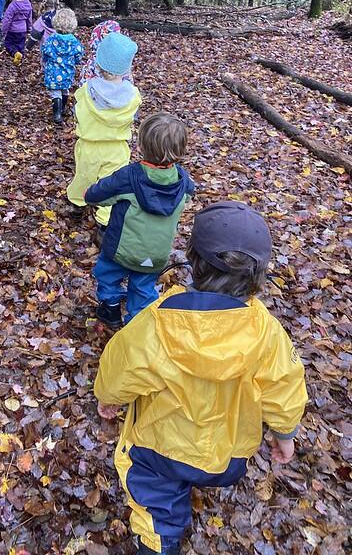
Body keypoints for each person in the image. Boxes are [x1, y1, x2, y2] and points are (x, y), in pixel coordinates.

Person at [94, 201, 308, 555]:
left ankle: (159, 544)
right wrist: (285, 434)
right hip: (226, 456)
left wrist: (108, 398)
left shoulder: (159, 322)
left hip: (159, 449)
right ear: (257, 275)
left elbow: (121, 365)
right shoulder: (266, 332)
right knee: (193, 467)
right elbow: (285, 387)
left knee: (156, 503)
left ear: (193, 260)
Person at [86, 113, 194, 330]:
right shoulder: (183, 182)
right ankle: (137, 327)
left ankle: (111, 307)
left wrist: (92, 193)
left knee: (108, 274)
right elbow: (190, 197)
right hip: (155, 254)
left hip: (120, 249)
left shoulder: (129, 177)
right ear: (181, 150)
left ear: (141, 144)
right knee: (144, 288)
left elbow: (96, 195)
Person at [66, 32, 141, 226]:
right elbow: (134, 117)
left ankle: (77, 204)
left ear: (97, 63)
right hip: (117, 150)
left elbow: (78, 113)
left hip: (89, 147)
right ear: (126, 68)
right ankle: (105, 222)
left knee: (84, 176)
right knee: (113, 185)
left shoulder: (87, 91)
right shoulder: (133, 95)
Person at [41, 8, 84, 124]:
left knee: (56, 92)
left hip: (53, 71)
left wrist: (45, 61)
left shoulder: (51, 39)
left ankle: (57, 113)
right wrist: (74, 61)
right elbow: (79, 55)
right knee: (65, 90)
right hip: (67, 71)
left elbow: (45, 51)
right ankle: (62, 109)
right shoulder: (74, 41)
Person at [79, 20, 121, 85]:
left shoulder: (93, 61)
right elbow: (127, 83)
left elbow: (84, 84)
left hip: (95, 93)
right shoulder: (121, 62)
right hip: (115, 93)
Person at [1, 0, 32, 66]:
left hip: (12, 30)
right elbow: (29, 18)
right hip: (23, 30)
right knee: (20, 45)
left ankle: (15, 54)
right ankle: (20, 61)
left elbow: (7, 19)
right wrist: (29, 29)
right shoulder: (28, 4)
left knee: (8, 44)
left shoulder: (13, 5)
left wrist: (3, 30)